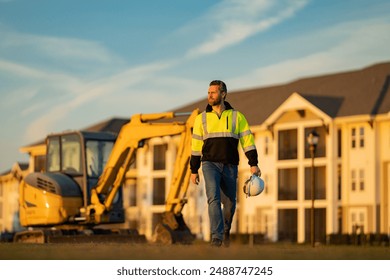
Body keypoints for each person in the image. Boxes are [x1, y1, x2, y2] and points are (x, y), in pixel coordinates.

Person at [190, 80, 261, 247]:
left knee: (229, 203)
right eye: (208, 93)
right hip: (209, 164)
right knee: (212, 198)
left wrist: (253, 163)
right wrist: (194, 170)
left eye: (213, 92)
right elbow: (195, 147)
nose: (210, 95)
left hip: (230, 165)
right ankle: (216, 237)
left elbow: (248, 141)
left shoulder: (237, 117)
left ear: (223, 94)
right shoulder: (201, 119)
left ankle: (225, 231)